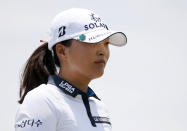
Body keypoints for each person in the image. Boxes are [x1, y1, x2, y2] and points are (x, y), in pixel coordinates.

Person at [15, 8, 127, 131]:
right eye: (92, 42)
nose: (102, 51)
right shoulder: (42, 100)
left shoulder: (99, 107)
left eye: (106, 43)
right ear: (62, 51)